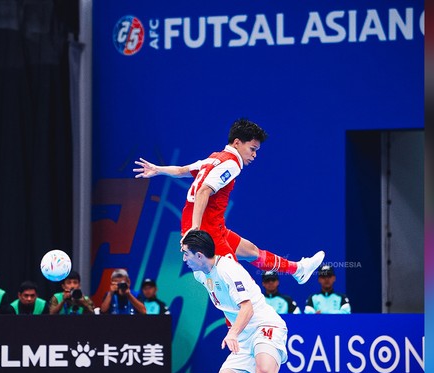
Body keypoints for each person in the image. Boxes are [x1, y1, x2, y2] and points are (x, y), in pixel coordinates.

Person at [134, 118, 325, 284]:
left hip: (212, 227)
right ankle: (241, 327)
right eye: (252, 149)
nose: (254, 155)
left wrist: (158, 169)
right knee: (239, 286)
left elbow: (183, 170)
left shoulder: (213, 159)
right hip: (207, 232)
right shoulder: (232, 163)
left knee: (251, 251)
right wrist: (196, 231)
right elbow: (203, 192)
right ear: (236, 143)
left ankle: (298, 270)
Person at [180, 230, 325, 373]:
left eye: (186, 254)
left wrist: (232, 332)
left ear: (199, 255)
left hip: (264, 325)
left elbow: (246, 308)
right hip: (245, 334)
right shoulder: (201, 274)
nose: (184, 259)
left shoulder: (229, 271)